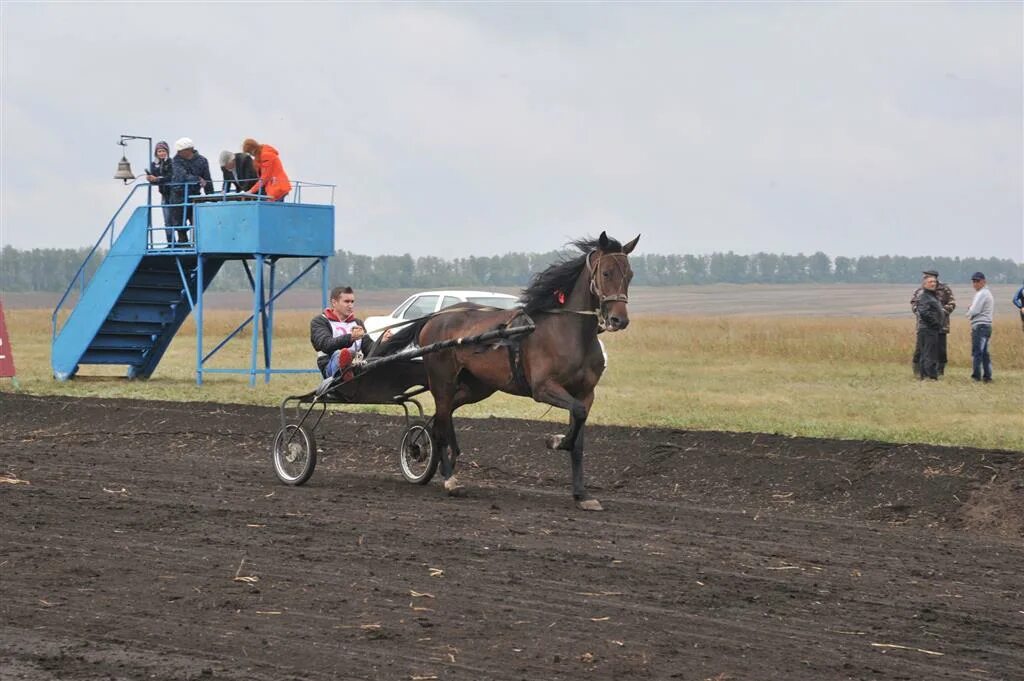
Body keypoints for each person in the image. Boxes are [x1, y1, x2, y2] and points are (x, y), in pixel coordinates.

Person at [311, 286, 393, 379]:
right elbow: (325, 344)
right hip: (330, 367)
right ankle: (347, 376)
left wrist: (381, 342)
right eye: (346, 301)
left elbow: (368, 348)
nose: (350, 305)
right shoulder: (320, 321)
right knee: (343, 354)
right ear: (334, 302)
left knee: (380, 358)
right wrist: (351, 337)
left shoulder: (357, 323)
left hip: (358, 363)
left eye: (352, 302)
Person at [910, 269, 955, 376]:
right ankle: (918, 371)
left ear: (935, 277)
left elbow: (952, 303)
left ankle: (939, 371)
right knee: (921, 349)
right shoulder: (920, 291)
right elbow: (914, 304)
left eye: (927, 276)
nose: (924, 277)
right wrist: (919, 312)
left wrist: (940, 313)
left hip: (941, 325)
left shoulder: (945, 289)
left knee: (940, 350)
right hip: (925, 325)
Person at [169, 138, 214, 243]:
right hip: (178, 195)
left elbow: (207, 179)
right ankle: (182, 242)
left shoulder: (202, 161)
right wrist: (198, 179)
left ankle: (200, 243)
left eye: (180, 151)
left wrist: (211, 197)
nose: (178, 153)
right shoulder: (176, 160)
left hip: (194, 195)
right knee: (179, 222)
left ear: (189, 150)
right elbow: (182, 176)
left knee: (197, 220)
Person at [915, 275, 945, 380]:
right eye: (930, 282)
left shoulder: (932, 296)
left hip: (932, 329)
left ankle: (928, 375)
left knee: (930, 352)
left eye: (934, 282)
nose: (933, 284)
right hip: (928, 328)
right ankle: (928, 376)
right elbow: (924, 312)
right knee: (929, 353)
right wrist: (935, 323)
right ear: (924, 284)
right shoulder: (924, 296)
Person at [966, 272, 994, 382]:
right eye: (973, 281)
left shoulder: (982, 293)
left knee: (977, 352)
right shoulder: (986, 293)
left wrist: (968, 311)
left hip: (980, 326)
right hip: (986, 326)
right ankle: (987, 376)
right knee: (984, 353)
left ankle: (976, 377)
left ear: (984, 281)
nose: (975, 283)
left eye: (978, 281)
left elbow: (974, 310)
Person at [145, 141, 174, 246]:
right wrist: (150, 178)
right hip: (164, 195)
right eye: (159, 151)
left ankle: (180, 242)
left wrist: (157, 179)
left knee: (176, 219)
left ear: (167, 151)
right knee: (167, 220)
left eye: (163, 151)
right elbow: (153, 176)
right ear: (156, 153)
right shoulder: (154, 164)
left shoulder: (171, 162)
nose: (161, 153)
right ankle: (171, 243)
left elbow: (171, 177)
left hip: (174, 195)